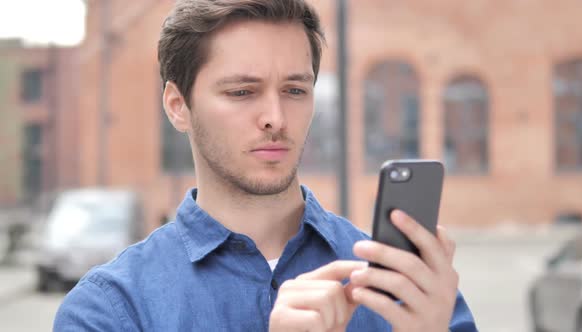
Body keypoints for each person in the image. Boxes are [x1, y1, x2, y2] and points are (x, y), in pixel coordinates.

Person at [54, 0, 478, 331]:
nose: (275, 116)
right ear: (178, 105)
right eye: (242, 92)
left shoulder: (408, 287)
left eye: (295, 90)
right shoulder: (110, 310)